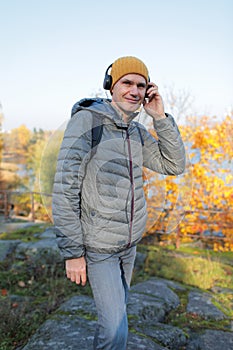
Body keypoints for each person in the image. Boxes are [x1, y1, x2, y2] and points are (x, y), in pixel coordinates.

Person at [52, 56, 186, 349]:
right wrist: (73, 252)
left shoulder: (137, 132)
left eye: (141, 85)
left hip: (129, 246)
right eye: (127, 82)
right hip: (98, 247)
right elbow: (64, 187)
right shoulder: (87, 121)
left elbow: (174, 165)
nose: (134, 91)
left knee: (114, 323)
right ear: (110, 86)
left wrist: (160, 118)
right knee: (115, 331)